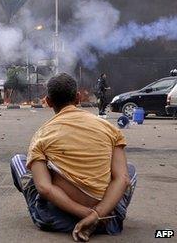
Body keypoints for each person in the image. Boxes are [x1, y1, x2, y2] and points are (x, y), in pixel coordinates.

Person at [10, 73, 137, 241]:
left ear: (47, 102)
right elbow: (123, 179)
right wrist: (96, 214)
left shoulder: (42, 135)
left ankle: (78, 218)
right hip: (108, 218)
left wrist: (87, 214)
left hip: (55, 219)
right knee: (129, 171)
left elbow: (44, 188)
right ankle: (101, 217)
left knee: (19, 161)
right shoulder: (109, 129)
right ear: (78, 98)